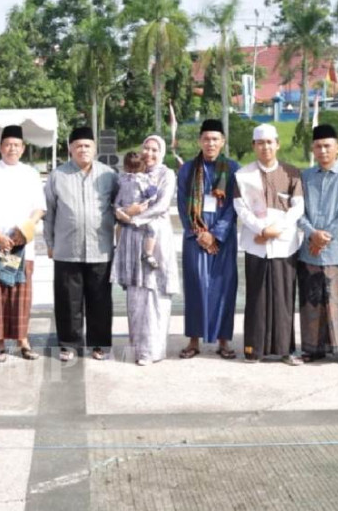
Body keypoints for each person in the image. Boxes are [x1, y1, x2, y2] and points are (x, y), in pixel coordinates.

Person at [0, 124, 46, 362]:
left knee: (21, 294)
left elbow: (39, 209)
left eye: (16, 145)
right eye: (7, 145)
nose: (12, 149)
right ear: (0, 148)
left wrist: (21, 233)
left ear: (23, 149)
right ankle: (0, 344)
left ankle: (23, 340)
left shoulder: (31, 173)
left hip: (23, 245)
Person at [43, 126, 117, 361]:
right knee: (67, 300)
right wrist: (50, 242)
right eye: (78, 146)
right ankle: (68, 344)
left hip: (101, 247)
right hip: (67, 248)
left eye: (87, 146)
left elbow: (119, 207)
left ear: (94, 149)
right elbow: (49, 212)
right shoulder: (58, 175)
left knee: (100, 300)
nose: (83, 150)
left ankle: (99, 344)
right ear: (70, 149)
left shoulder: (109, 175)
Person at [232, 124, 305, 365]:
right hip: (256, 244)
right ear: (254, 146)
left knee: (284, 297)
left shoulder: (292, 173)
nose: (265, 147)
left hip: (285, 245)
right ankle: (254, 349)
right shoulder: (243, 175)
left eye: (269, 142)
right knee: (257, 297)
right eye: (260, 143)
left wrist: (275, 231)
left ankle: (286, 350)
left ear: (277, 144)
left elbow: (298, 208)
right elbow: (240, 208)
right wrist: (261, 229)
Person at [113, 135, 179, 365]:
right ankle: (136, 347)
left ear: (161, 152)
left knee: (154, 293)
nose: (149, 154)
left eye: (154, 149)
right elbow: (117, 204)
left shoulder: (166, 174)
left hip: (155, 236)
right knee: (135, 293)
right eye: (146, 148)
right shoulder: (130, 175)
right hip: (132, 237)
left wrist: (135, 218)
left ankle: (152, 350)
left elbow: (162, 205)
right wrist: (123, 213)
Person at [297, 124, 338, 364]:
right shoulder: (305, 177)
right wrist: (312, 234)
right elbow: (297, 211)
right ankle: (313, 349)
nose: (323, 151)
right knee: (312, 302)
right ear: (313, 149)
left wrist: (324, 237)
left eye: (327, 146)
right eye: (318, 146)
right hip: (309, 251)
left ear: (337, 147)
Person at [177, 119, 239, 359]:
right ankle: (194, 340)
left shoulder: (233, 168)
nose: (210, 143)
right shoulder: (187, 169)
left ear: (222, 142)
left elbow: (235, 206)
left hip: (223, 240)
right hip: (195, 238)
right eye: (206, 139)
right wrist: (199, 233)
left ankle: (223, 341)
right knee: (195, 287)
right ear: (199, 141)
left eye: (215, 139)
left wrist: (217, 234)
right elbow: (183, 205)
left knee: (224, 288)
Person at [115, 152, 159, 268]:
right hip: (132, 208)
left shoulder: (128, 178)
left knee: (122, 225)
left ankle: (146, 252)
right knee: (151, 229)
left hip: (131, 208)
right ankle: (146, 253)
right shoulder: (134, 178)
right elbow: (152, 194)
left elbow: (151, 194)